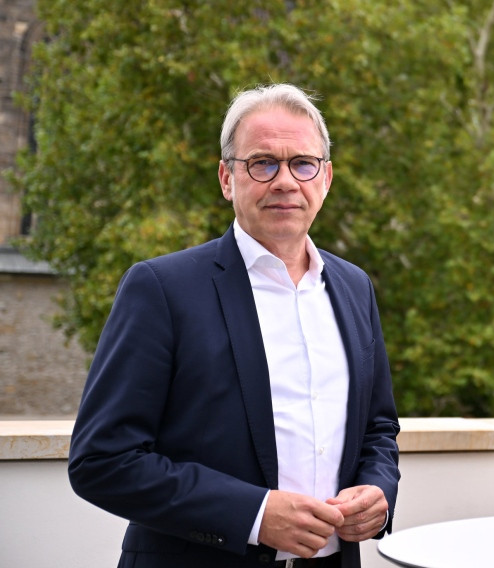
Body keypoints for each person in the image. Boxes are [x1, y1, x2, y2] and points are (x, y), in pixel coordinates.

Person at [68, 83, 400, 568]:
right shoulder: (162, 288)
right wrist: (254, 514)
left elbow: (378, 426)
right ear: (227, 178)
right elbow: (102, 460)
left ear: (325, 178)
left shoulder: (353, 287)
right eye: (262, 163)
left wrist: (378, 488)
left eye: (303, 163)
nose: (286, 181)